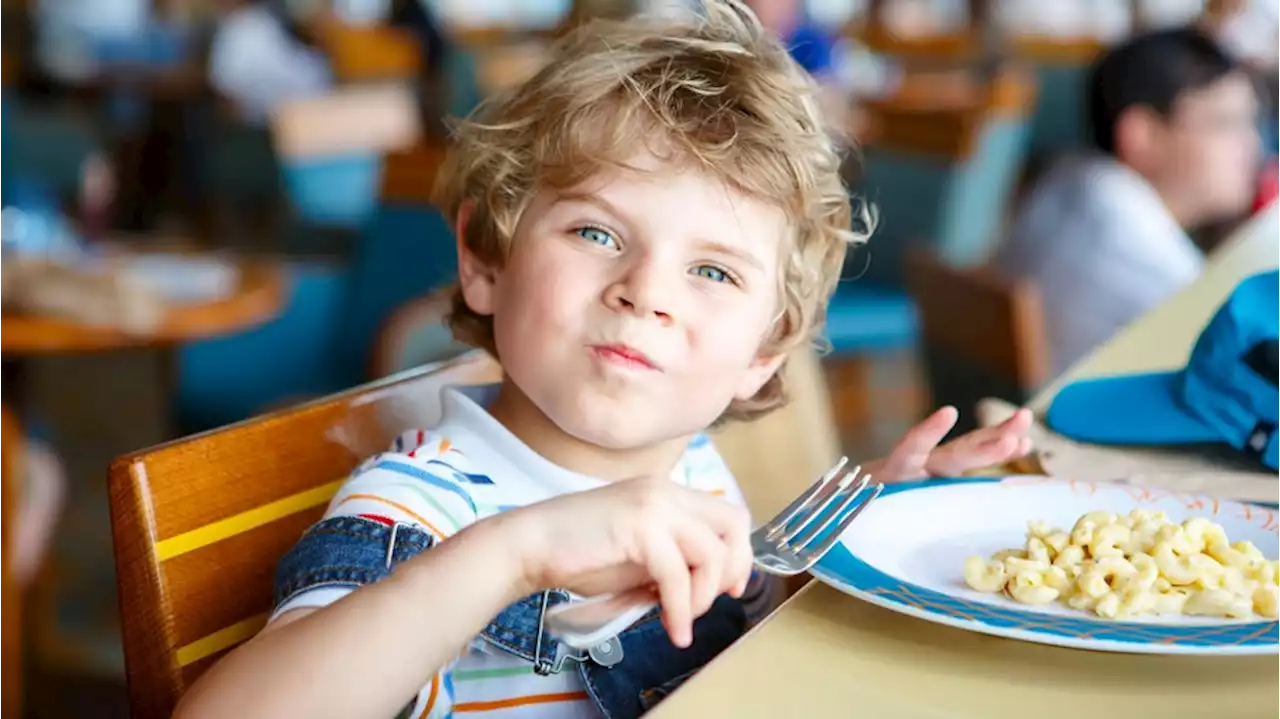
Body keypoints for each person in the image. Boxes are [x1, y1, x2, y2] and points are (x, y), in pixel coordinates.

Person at [173, 3, 1032, 718]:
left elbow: (729, 653)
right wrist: (514, 554)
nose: (646, 292)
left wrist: (844, 544)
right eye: (597, 232)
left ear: (763, 354)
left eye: (711, 271)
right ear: (486, 259)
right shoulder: (423, 508)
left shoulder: (690, 456)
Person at [993, 27, 1261, 378]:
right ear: (1141, 135)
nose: (1252, 144)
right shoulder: (1156, 272)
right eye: (1226, 123)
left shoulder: (1068, 180)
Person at [207, 0, 334, 125]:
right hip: (294, 115)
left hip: (299, 114)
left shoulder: (249, 25)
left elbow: (228, 102)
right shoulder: (248, 25)